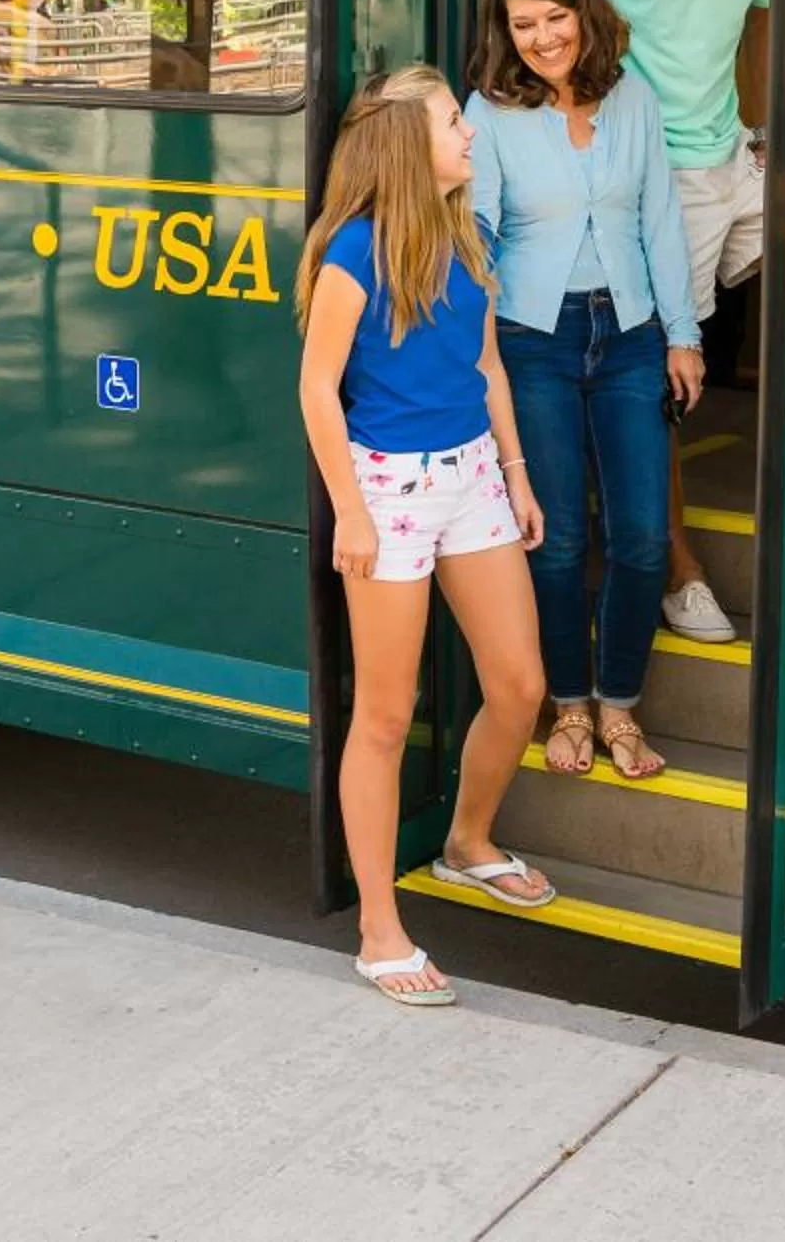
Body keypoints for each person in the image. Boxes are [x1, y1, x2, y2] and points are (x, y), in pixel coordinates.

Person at [296, 63, 555, 1008]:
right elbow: (318, 390)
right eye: (455, 121)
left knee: (521, 683)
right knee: (387, 714)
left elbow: (487, 365)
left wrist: (516, 477)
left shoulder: (465, 239)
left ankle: (466, 843)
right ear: (412, 146)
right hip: (391, 489)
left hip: (474, 476)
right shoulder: (353, 255)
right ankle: (378, 928)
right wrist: (353, 514)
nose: (471, 134)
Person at [546, 0, 773, 640]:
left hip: (734, 155)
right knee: (660, 372)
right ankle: (678, 567)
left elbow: (760, 18)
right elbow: (543, 29)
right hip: (649, 167)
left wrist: (770, 136)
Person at [464, 0, 697, 780]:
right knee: (556, 538)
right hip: (534, 338)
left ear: (583, 14)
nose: (540, 38)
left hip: (630, 331)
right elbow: (479, 224)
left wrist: (682, 333)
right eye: (522, 25)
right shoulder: (487, 112)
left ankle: (620, 709)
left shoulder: (633, 97)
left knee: (639, 537)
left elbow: (661, 219)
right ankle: (568, 703)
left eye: (554, 19)